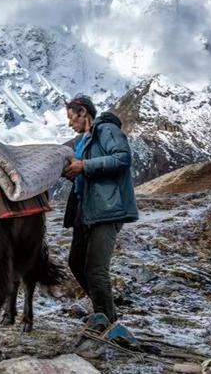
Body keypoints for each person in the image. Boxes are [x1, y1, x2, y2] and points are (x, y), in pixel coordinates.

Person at [62, 94, 138, 334]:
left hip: (107, 209)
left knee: (95, 268)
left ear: (83, 112)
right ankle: (103, 310)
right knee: (76, 262)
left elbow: (123, 158)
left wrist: (84, 166)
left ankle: (108, 321)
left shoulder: (106, 130)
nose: (69, 123)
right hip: (86, 210)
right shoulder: (82, 140)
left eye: (71, 117)